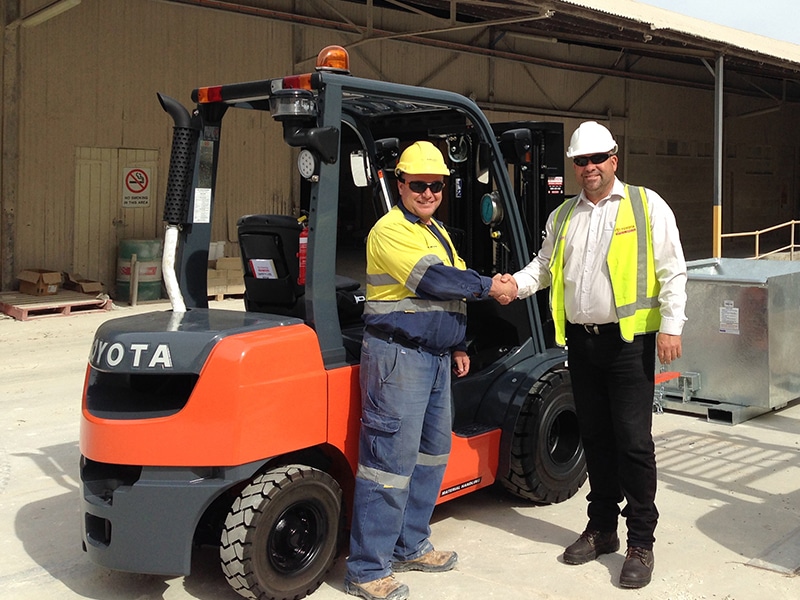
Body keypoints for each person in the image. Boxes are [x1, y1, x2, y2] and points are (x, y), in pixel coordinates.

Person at [499, 121, 687, 589]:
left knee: (633, 444)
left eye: (597, 159)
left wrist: (671, 326)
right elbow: (543, 268)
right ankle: (602, 529)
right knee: (596, 440)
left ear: (614, 160)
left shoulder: (646, 205)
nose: (589, 168)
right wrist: (512, 286)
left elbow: (673, 270)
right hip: (581, 345)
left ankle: (640, 541)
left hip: (628, 345)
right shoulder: (564, 216)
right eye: (581, 161)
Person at [344, 141, 516, 600]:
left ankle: (410, 544)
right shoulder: (390, 231)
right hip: (398, 358)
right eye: (417, 184)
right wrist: (492, 285)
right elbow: (436, 281)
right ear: (399, 184)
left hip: (436, 359)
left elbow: (451, 293)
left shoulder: (435, 230)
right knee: (388, 465)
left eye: (435, 185)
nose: (426, 192)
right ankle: (366, 567)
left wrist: (459, 343)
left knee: (430, 456)